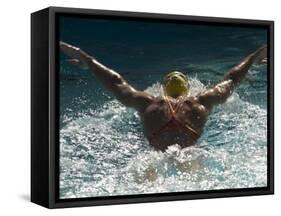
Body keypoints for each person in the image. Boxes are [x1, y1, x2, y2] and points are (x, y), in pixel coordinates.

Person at [60, 41, 267, 151]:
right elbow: (231, 80)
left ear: (163, 88)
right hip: (190, 156)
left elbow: (117, 83)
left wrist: (87, 59)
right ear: (187, 89)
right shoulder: (200, 103)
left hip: (154, 159)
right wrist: (254, 57)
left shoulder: (148, 103)